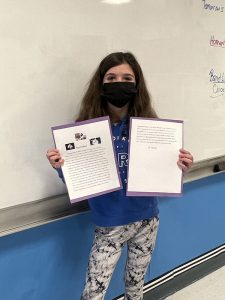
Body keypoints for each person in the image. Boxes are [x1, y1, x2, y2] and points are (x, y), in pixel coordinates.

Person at [46, 52, 193, 300]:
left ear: (136, 85)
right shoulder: (86, 128)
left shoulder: (149, 126)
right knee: (93, 292)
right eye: (111, 78)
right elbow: (78, 178)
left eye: (127, 77)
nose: (119, 83)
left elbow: (162, 172)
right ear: (101, 84)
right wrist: (61, 167)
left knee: (135, 288)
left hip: (147, 221)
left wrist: (179, 166)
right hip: (109, 224)